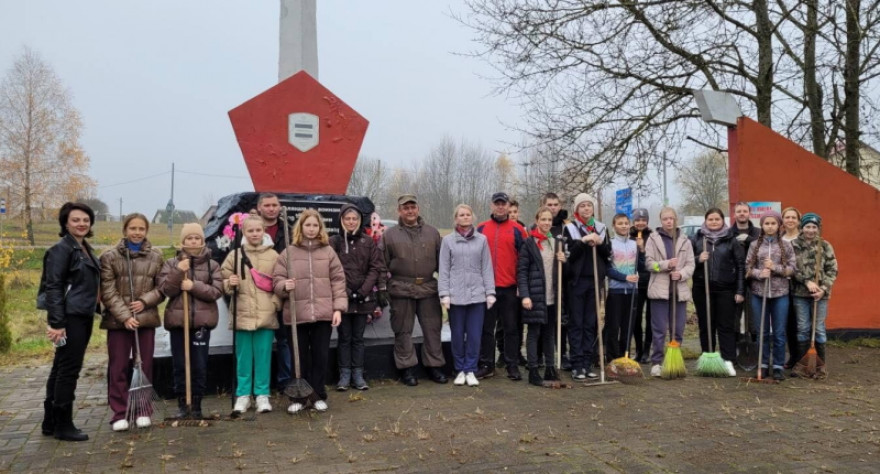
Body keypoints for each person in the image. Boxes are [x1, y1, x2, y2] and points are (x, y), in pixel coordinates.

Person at [273, 209, 347, 413]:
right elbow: (276, 280)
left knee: (320, 356)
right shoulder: (288, 253)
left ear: (320, 228)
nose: (312, 229)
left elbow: (338, 281)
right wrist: (284, 286)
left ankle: (317, 395)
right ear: (301, 227)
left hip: (323, 314)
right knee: (299, 358)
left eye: (315, 225)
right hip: (297, 315)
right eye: (308, 225)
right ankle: (298, 397)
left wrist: (338, 308)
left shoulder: (328, 252)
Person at [100, 213, 165, 431]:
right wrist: (125, 316)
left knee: (144, 365)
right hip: (119, 321)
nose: (137, 232)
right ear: (125, 230)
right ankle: (120, 412)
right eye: (132, 228)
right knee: (118, 367)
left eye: (141, 229)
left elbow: (162, 288)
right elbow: (107, 290)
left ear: (146, 231)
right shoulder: (109, 257)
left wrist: (145, 302)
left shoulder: (156, 256)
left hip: (145, 319)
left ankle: (143, 410)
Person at [41, 202, 100, 442]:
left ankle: (50, 421)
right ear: (65, 223)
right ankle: (63, 425)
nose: (82, 224)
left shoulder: (83, 248)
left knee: (61, 367)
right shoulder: (61, 250)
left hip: (82, 314)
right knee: (68, 370)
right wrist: (57, 323)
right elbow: (53, 287)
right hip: (70, 317)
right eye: (76, 220)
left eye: (85, 220)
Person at [158, 223, 223, 419]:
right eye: (189, 238)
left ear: (202, 241)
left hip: (201, 324)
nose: (193, 241)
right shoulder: (171, 263)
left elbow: (216, 292)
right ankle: (182, 404)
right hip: (179, 322)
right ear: (183, 241)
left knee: (199, 365)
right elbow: (166, 290)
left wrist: (193, 285)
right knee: (180, 364)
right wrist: (179, 271)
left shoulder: (212, 265)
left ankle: (196, 405)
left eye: (197, 238)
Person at [381, 195, 447, 386]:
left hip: (428, 288)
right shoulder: (390, 235)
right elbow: (381, 264)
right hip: (401, 289)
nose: (410, 211)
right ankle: (406, 368)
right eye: (405, 208)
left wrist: (445, 289)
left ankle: (434, 366)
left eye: (412, 207)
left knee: (433, 329)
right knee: (403, 330)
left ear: (418, 209)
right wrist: (382, 288)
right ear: (399, 211)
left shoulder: (433, 233)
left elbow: (443, 264)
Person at [221, 213, 281, 414]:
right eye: (250, 230)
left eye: (258, 230)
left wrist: (275, 303)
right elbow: (223, 279)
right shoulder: (234, 256)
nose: (255, 234)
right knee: (243, 358)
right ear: (243, 232)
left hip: (266, 316)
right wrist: (230, 283)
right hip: (243, 314)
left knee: (263, 357)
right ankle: (243, 395)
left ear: (264, 231)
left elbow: (280, 283)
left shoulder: (274, 256)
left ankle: (262, 394)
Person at [439, 204, 496, 387]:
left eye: (467, 214)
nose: (465, 217)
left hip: (477, 296)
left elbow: (486, 268)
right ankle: (460, 369)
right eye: (461, 215)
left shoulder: (482, 240)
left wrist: (490, 292)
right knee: (457, 335)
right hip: (456, 297)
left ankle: (471, 369)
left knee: (474, 335)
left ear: (472, 217)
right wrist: (444, 294)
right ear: (456, 218)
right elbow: (444, 269)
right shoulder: (448, 241)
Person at [329, 204, 384, 391]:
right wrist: (343, 290)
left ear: (359, 221)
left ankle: (358, 374)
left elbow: (375, 267)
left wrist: (363, 290)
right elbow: (331, 269)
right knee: (344, 337)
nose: (351, 222)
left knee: (358, 338)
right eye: (347, 219)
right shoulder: (334, 242)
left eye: (354, 219)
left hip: (363, 297)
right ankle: (344, 374)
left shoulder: (367, 242)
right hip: (342, 297)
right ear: (342, 220)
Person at [477, 192, 528, 381]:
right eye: (497, 204)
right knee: (486, 328)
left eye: (503, 204)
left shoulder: (517, 229)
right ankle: (487, 364)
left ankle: (511, 364)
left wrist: (521, 285)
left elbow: (524, 260)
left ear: (508, 206)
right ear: (491, 206)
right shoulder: (481, 228)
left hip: (509, 287)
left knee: (511, 328)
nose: (500, 207)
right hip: (487, 288)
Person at [690, 208, 745, 377]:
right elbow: (687, 263)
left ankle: (728, 360)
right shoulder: (697, 239)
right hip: (702, 288)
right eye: (710, 219)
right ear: (705, 221)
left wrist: (740, 289)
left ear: (723, 221)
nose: (714, 222)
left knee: (725, 326)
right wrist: (698, 259)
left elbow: (741, 266)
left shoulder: (731, 240)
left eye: (717, 219)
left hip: (725, 289)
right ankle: (708, 357)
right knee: (706, 325)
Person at [562, 193, 611, 380]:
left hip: (594, 280)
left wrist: (598, 243)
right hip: (576, 281)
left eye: (588, 206)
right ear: (577, 209)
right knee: (577, 323)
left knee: (591, 323)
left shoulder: (601, 228)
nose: (586, 209)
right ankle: (576, 364)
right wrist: (583, 242)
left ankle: (587, 362)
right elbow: (569, 256)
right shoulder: (571, 229)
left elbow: (608, 254)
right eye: (582, 206)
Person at [745, 210, 796, 381]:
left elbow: (792, 269)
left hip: (780, 294)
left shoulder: (786, 245)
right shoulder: (754, 245)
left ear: (778, 225)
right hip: (759, 294)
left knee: (779, 332)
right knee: (762, 332)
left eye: (773, 223)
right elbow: (747, 269)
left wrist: (775, 268)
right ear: (762, 225)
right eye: (767, 223)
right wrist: (760, 273)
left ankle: (778, 366)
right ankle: (764, 364)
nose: (770, 226)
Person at [518, 206, 566, 386]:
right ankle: (533, 370)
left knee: (549, 334)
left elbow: (561, 271)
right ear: (537, 221)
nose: (546, 223)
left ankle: (550, 368)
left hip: (552, 296)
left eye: (549, 220)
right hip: (535, 295)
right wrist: (525, 295)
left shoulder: (555, 243)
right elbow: (522, 271)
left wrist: (563, 258)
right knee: (533, 333)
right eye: (543, 219)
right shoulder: (529, 243)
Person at [645, 207, 695, 378]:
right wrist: (665, 265)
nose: (668, 221)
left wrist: (680, 274)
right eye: (665, 218)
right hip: (660, 290)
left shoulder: (685, 240)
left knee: (678, 329)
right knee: (659, 329)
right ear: (661, 220)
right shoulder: (653, 239)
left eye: (671, 218)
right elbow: (650, 264)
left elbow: (691, 265)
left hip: (679, 291)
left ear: (676, 220)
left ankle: (674, 361)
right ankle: (657, 362)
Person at [791, 213, 838, 378]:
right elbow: (791, 269)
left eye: (814, 227)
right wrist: (807, 282)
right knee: (803, 329)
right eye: (807, 226)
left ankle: (820, 365)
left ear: (818, 228)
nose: (810, 230)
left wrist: (823, 288)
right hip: (800, 294)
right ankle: (803, 364)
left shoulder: (824, 246)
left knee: (818, 329)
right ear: (802, 227)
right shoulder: (793, 245)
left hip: (821, 296)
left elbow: (833, 270)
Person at [255, 193, 293, 394]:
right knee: (261, 340)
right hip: (258, 295)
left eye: (275, 205)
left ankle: (285, 381)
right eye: (267, 205)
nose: (271, 208)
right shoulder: (251, 230)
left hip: (282, 292)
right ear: (259, 207)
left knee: (284, 339)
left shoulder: (288, 231)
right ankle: (260, 383)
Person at [604, 213, 639, 362]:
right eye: (620, 223)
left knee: (628, 327)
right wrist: (624, 277)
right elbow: (607, 269)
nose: (624, 226)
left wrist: (642, 251)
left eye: (626, 223)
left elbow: (641, 265)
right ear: (614, 226)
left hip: (632, 291)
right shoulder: (610, 244)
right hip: (616, 290)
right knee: (613, 327)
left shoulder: (635, 244)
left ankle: (625, 357)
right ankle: (612, 358)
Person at [541, 193, 570, 369]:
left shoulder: (567, 228)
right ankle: (542, 354)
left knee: (562, 319)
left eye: (555, 204)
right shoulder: (538, 227)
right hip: (545, 281)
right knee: (543, 320)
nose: (553, 208)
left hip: (564, 280)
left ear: (560, 206)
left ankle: (563, 354)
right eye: (549, 204)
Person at [629, 208, 653, 363]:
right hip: (634, 283)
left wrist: (643, 249)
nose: (640, 223)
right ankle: (637, 349)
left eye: (643, 220)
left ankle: (646, 350)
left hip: (650, 282)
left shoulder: (653, 237)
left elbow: (652, 262)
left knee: (650, 318)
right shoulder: (628, 237)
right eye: (638, 220)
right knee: (636, 318)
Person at [781, 206, 801, 369]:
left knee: (801, 324)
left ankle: (804, 358)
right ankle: (793, 356)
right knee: (788, 323)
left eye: (793, 217)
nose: (790, 220)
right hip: (782, 286)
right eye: (787, 217)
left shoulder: (804, 238)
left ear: (798, 221)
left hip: (801, 287)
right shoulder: (779, 239)